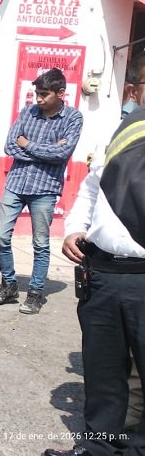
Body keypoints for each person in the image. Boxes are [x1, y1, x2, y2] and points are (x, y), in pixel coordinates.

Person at [43, 55, 145, 456]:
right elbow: (90, 188)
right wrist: (73, 228)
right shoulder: (120, 132)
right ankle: (99, 448)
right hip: (101, 272)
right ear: (135, 91)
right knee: (103, 373)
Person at [0, 68, 83, 314]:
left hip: (45, 188)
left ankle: (36, 292)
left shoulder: (73, 118)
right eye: (36, 93)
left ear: (61, 93)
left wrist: (27, 144)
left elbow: (62, 154)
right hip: (16, 183)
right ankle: (8, 285)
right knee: (1, 237)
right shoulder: (27, 112)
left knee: (40, 243)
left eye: (44, 94)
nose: (38, 99)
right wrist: (46, 151)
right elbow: (9, 146)